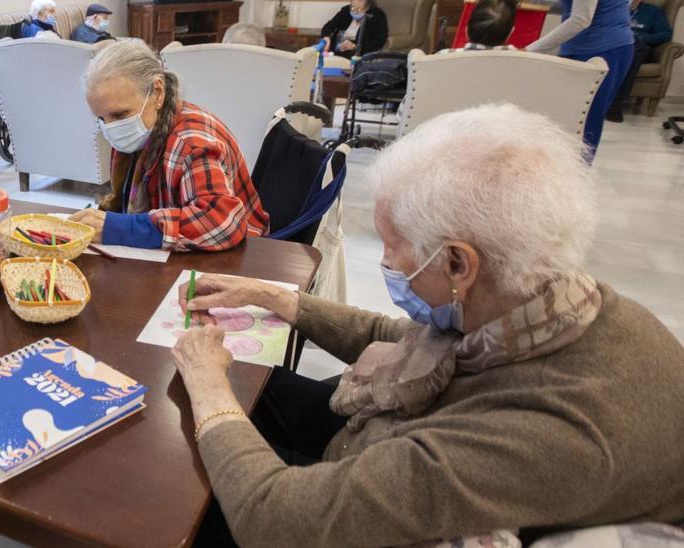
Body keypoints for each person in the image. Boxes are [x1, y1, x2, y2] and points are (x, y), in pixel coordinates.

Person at [169, 104, 684, 546]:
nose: (387, 262)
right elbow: (400, 338)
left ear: (459, 264)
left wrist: (211, 388)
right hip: (392, 438)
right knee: (255, 390)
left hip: (390, 476)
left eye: (392, 245)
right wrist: (272, 296)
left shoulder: (547, 432)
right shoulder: (535, 300)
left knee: (185, 495)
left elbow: (274, 520)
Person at [70, 40, 269, 251]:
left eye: (119, 115)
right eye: (102, 118)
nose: (110, 128)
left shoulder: (191, 142)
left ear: (157, 92)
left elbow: (220, 222)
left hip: (238, 255)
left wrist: (121, 228)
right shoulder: (145, 126)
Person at [526, 0, 634, 154]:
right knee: (565, 121)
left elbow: (580, 19)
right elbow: (571, 5)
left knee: (584, 123)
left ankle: (577, 174)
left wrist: (529, 51)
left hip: (603, 48)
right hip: (588, 46)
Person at [607, 0, 674, 122]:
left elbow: (666, 34)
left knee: (634, 47)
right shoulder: (614, 7)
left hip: (639, 46)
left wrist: (642, 37)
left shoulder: (652, 11)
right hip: (615, 45)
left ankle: (615, 104)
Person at [320, 0, 389, 57]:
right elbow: (329, 26)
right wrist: (326, 37)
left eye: (360, 9)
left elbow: (380, 41)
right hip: (336, 53)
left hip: (359, 56)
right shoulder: (346, 11)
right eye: (353, 8)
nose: (356, 12)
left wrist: (355, 47)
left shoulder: (377, 15)